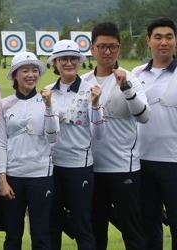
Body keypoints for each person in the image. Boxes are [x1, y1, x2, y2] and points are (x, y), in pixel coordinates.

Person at [80, 22, 150, 250]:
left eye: (112, 47)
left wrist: (126, 88)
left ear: (119, 48)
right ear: (92, 48)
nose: (107, 52)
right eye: (102, 46)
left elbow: (144, 116)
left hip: (123, 167)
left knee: (133, 232)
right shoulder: (83, 82)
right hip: (91, 168)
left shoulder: (130, 78)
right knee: (96, 230)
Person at [0, 51, 59, 250]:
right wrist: (2, 179)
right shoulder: (4, 104)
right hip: (14, 176)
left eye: (34, 71)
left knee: (41, 234)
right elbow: (0, 143)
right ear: (15, 74)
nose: (31, 75)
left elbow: (52, 137)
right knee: (13, 235)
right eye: (25, 70)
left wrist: (48, 107)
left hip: (40, 175)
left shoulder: (48, 100)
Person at [46, 40, 103, 250]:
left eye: (73, 59)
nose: (68, 63)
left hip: (79, 166)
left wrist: (96, 105)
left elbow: (99, 133)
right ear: (55, 62)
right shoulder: (47, 91)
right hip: (51, 167)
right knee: (52, 225)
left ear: (79, 61)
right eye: (63, 59)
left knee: (82, 225)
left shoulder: (91, 91)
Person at [132, 17, 177, 250]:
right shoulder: (136, 73)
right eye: (158, 37)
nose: (163, 42)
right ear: (148, 40)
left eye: (169, 37)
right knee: (149, 226)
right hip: (142, 161)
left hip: (173, 161)